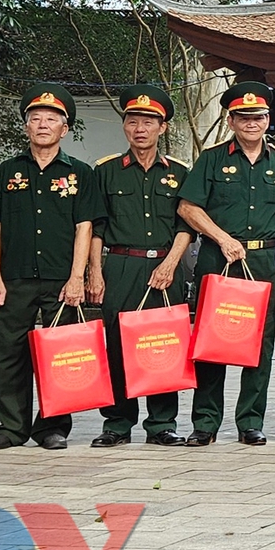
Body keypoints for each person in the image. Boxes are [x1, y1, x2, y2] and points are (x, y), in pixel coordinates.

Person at [0, 84, 99, 451]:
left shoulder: (80, 173)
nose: (43, 125)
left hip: (61, 278)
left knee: (61, 354)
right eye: (35, 119)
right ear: (26, 126)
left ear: (65, 129)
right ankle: (10, 427)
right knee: (9, 353)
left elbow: (85, 227)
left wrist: (77, 277)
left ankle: (53, 426)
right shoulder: (7, 172)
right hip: (14, 277)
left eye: (52, 119)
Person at [178, 81, 275, 447]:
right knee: (213, 342)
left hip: (265, 260)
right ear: (231, 121)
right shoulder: (212, 159)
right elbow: (188, 207)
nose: (251, 123)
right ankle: (206, 423)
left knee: (259, 346)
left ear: (267, 120)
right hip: (219, 258)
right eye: (243, 117)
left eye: (258, 117)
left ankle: (250, 421)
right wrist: (222, 238)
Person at [86, 86, 191, 448]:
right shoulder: (106, 171)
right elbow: (96, 227)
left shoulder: (179, 172)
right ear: (125, 127)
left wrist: (170, 264)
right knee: (116, 344)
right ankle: (117, 422)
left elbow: (185, 226)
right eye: (133, 121)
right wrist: (95, 271)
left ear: (162, 128)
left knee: (163, 345)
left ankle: (162, 423)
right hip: (120, 265)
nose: (140, 128)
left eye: (149, 122)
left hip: (166, 266)